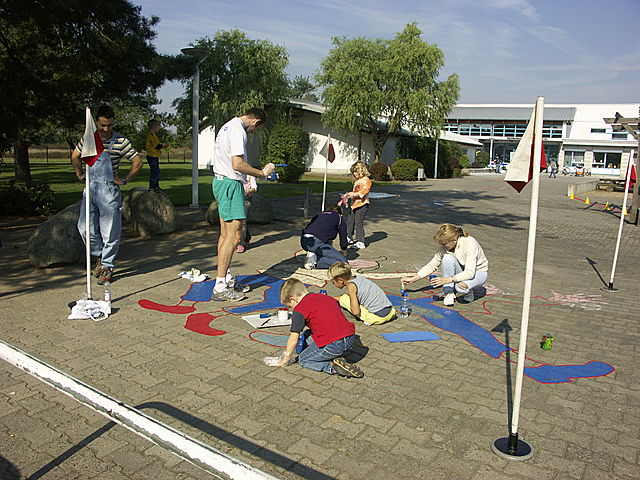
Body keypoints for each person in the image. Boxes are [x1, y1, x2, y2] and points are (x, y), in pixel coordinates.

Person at [71, 104, 143, 285]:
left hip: (109, 191)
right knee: (85, 228)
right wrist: (79, 173)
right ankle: (99, 256)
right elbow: (75, 156)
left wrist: (124, 179)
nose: (106, 129)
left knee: (110, 231)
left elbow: (137, 162)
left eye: (109, 125)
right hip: (90, 188)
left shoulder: (121, 142)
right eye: (102, 125)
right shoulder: (89, 140)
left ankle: (107, 265)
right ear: (96, 122)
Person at [211, 107, 275, 302]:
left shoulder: (228, 126)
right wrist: (262, 173)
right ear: (256, 122)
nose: (254, 132)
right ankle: (220, 286)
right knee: (234, 237)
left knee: (226, 236)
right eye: (257, 129)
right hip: (230, 184)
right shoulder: (238, 130)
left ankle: (226, 278)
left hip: (222, 182)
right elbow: (237, 164)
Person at [277, 278, 363, 378]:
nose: (292, 308)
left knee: (304, 360)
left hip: (334, 343)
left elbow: (293, 338)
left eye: (290, 306)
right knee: (307, 334)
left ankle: (332, 367)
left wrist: (285, 358)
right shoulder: (324, 297)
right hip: (350, 338)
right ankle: (334, 356)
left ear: (293, 299)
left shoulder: (299, 309)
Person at [403, 224, 488, 307]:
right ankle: (449, 292)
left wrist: (447, 280)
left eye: (444, 244)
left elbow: (470, 273)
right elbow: (431, 265)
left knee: (460, 288)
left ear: (454, 240)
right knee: (447, 258)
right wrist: (413, 279)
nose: (442, 246)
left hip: (478, 272)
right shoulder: (445, 248)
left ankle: (468, 290)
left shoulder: (469, 243)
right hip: (462, 270)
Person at [328, 261, 395, 325]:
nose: (333, 284)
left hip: (378, 318)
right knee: (346, 297)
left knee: (343, 299)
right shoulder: (359, 278)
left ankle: (368, 319)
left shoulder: (351, 286)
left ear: (340, 280)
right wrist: (330, 298)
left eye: (333, 282)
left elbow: (356, 312)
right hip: (391, 312)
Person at [300, 202, 348, 269]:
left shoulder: (319, 214)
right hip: (316, 242)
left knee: (324, 248)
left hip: (304, 240)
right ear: (341, 214)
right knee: (343, 263)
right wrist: (344, 251)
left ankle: (313, 255)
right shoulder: (339, 218)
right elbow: (343, 237)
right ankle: (314, 262)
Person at [343, 161, 371, 249]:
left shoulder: (366, 180)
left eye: (355, 172)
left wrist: (353, 194)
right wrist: (348, 195)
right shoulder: (357, 181)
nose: (354, 174)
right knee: (350, 221)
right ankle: (349, 236)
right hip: (353, 205)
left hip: (362, 205)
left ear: (360, 171)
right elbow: (354, 192)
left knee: (358, 222)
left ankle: (360, 241)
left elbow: (363, 192)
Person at [237, 174, 257, 253]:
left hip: (246, 199)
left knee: (243, 221)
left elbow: (254, 188)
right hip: (236, 198)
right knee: (238, 221)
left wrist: (246, 191)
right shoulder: (236, 174)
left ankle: (241, 243)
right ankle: (247, 237)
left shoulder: (250, 175)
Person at [145, 119, 163, 191]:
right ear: (154, 127)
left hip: (154, 156)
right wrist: (164, 145)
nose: (159, 128)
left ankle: (156, 186)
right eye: (158, 126)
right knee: (155, 171)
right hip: (152, 156)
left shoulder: (153, 135)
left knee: (156, 171)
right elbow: (157, 146)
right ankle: (152, 187)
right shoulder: (152, 135)